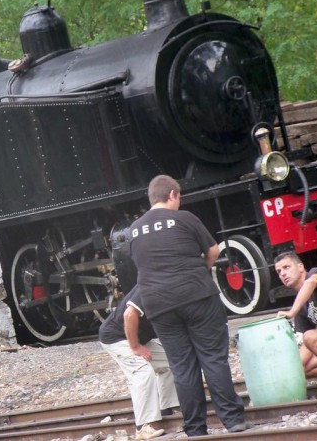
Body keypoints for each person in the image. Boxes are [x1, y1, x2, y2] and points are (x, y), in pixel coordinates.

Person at [128, 174, 253, 436]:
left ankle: (195, 428)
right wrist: (200, 272)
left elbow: (142, 265)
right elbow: (214, 251)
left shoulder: (134, 230)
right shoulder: (185, 218)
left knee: (182, 366)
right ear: (172, 194)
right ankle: (232, 420)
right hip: (196, 296)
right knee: (212, 357)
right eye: (179, 196)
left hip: (158, 305)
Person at [99, 284, 179, 440]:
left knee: (171, 361)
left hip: (139, 336)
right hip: (117, 338)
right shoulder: (150, 285)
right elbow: (129, 315)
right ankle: (142, 427)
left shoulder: (169, 282)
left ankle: (167, 407)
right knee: (143, 372)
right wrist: (135, 347)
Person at [275, 251, 317, 383]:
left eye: (286, 267)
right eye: (278, 272)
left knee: (311, 337)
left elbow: (311, 282)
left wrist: (291, 312)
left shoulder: (316, 274)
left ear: (300, 267)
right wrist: (292, 368)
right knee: (304, 369)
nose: (283, 274)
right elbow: (307, 345)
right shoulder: (301, 304)